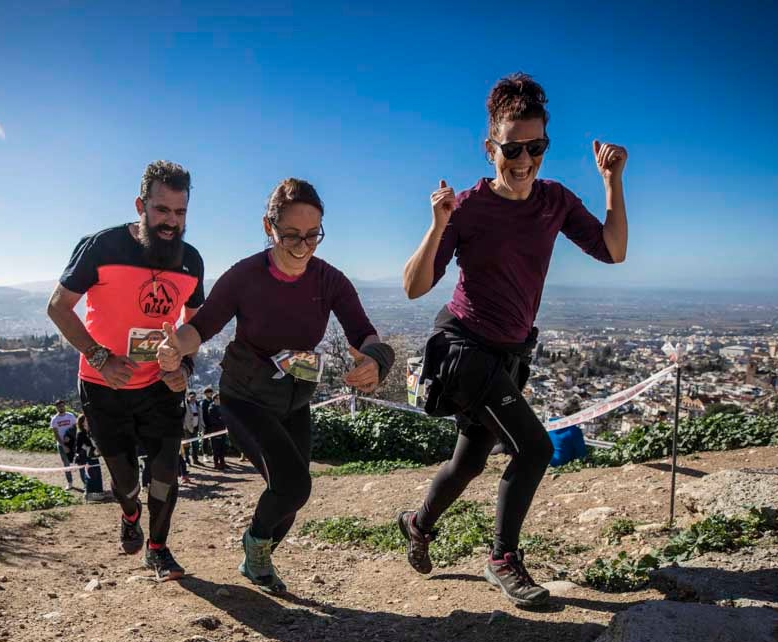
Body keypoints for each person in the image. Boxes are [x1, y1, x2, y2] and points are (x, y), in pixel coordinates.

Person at [399, 73, 628, 609]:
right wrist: (437, 224)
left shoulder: (555, 200)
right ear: (490, 149)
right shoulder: (468, 207)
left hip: (508, 353)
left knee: (469, 462)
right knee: (536, 448)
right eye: (512, 148)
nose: (524, 160)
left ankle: (417, 523)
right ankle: (503, 559)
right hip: (462, 347)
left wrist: (612, 181)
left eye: (536, 147)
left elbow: (612, 250)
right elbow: (413, 286)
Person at [158, 178, 394, 593]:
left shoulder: (329, 280)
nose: (303, 247)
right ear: (268, 227)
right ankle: (255, 548)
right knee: (292, 485)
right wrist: (174, 347)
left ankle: (256, 556)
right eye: (291, 235)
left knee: (292, 497)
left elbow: (363, 333)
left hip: (294, 399)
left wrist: (376, 360)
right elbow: (202, 326)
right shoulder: (244, 276)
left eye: (312, 235)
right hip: (244, 397)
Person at [46, 160, 205, 580]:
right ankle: (130, 512)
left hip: (160, 386)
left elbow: (196, 326)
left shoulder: (191, 261)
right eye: (161, 210)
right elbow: (58, 307)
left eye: (180, 212)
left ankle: (158, 549)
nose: (171, 222)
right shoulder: (102, 246)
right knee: (126, 482)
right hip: (104, 386)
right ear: (140, 206)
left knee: (165, 473)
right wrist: (100, 357)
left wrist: (184, 366)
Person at [72, 414, 107, 501]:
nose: (88, 421)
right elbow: (78, 448)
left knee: (97, 475)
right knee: (90, 476)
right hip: (88, 458)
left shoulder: (91, 432)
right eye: (86, 420)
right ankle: (89, 494)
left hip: (95, 456)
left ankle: (98, 493)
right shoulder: (80, 434)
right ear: (82, 423)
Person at [50, 400, 82, 489]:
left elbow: (76, 428)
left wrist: (71, 437)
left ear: (65, 406)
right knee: (66, 464)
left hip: (73, 443)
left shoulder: (70, 416)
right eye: (59, 406)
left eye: (62, 406)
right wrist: (63, 446)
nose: (61, 408)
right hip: (61, 445)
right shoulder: (54, 419)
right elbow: (56, 434)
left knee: (80, 462)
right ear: (56, 408)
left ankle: (85, 483)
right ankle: (70, 483)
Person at [201, 387, 227, 469]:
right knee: (216, 447)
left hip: (222, 429)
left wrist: (221, 419)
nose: (219, 400)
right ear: (214, 399)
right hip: (215, 430)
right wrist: (221, 419)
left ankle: (222, 462)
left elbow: (225, 418)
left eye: (220, 399)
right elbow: (213, 420)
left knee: (222, 447)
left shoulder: (221, 407)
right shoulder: (211, 408)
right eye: (217, 398)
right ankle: (216, 463)